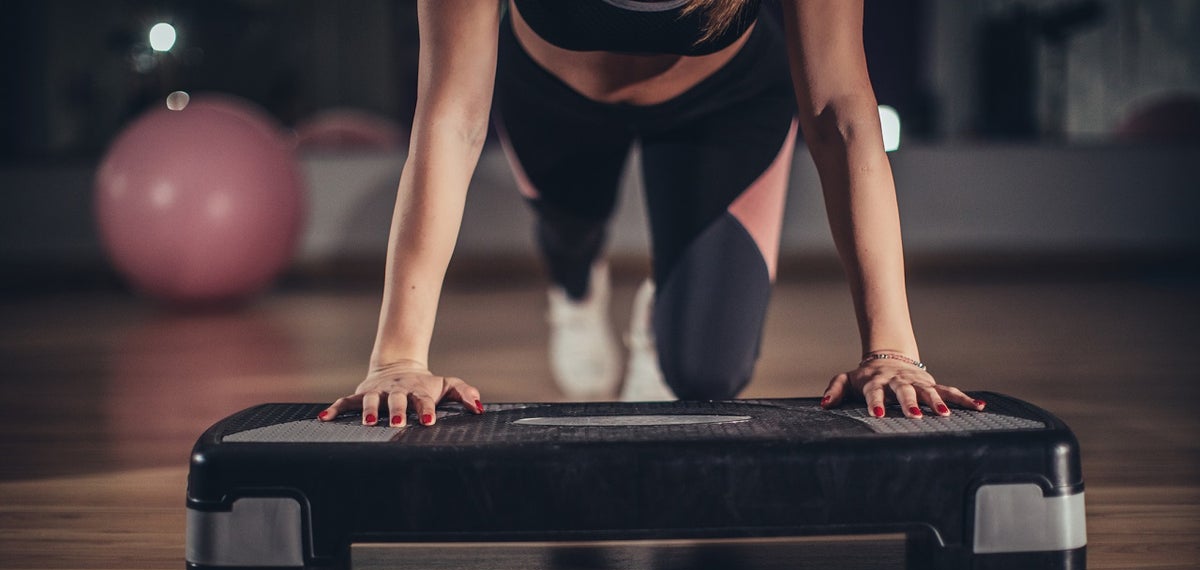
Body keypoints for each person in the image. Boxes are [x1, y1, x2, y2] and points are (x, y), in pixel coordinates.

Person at [318, 0, 984, 428]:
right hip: (553, 100)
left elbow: (841, 113)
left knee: (705, 374)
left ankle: (664, 304)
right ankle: (575, 290)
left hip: (724, 107)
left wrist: (893, 351)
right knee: (569, 234)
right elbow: (451, 118)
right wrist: (398, 356)